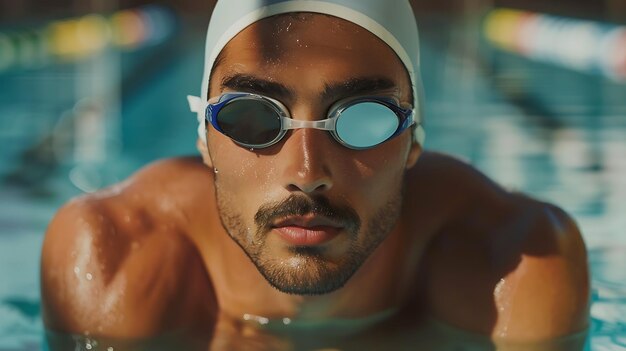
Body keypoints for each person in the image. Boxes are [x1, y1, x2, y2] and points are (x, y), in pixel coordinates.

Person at [41, 0, 590, 349]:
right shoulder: (113, 260)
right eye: (253, 118)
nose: (306, 172)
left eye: (362, 119)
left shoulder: (514, 266)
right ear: (205, 138)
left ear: (414, 141)